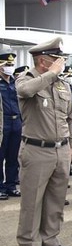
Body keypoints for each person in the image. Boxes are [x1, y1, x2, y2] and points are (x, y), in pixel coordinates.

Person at [16, 37, 72, 246]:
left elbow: (68, 117)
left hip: (60, 150)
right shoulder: (26, 79)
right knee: (33, 201)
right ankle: (30, 245)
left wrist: (70, 144)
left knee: (56, 199)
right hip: (36, 149)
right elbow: (26, 91)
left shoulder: (62, 84)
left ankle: (49, 239)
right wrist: (51, 74)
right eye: (56, 59)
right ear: (43, 60)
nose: (60, 63)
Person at [0, 51, 21, 200]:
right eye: (7, 65)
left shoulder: (16, 82)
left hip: (16, 122)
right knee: (0, 156)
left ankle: (11, 185)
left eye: (12, 64)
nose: (10, 67)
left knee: (13, 157)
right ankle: (0, 187)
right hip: (3, 123)